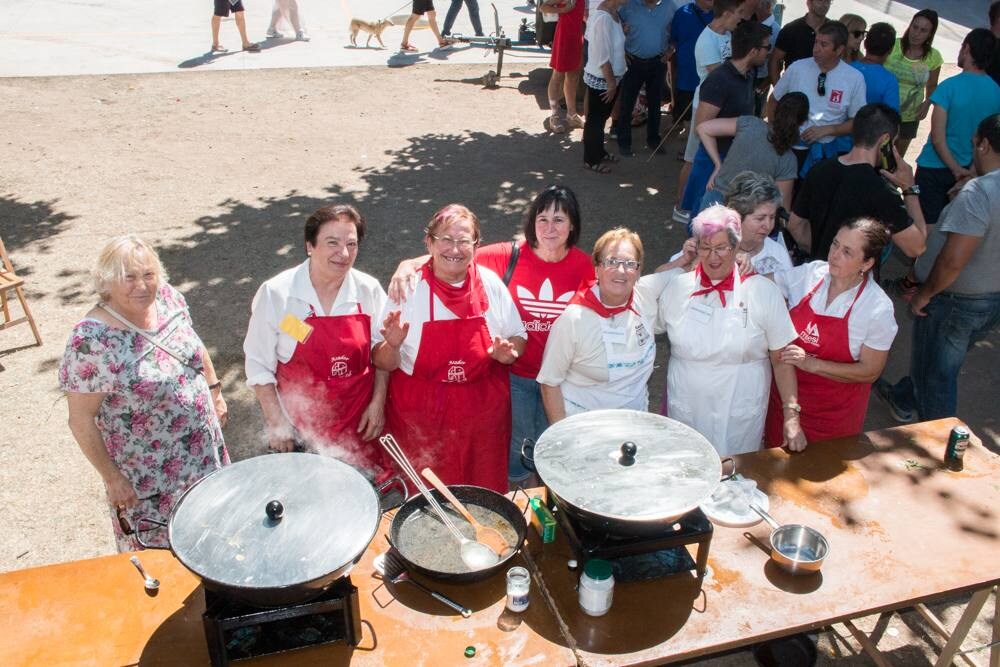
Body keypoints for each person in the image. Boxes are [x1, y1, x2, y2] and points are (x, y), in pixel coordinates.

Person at [386, 185, 594, 483]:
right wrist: (407, 264)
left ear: (572, 224)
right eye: (542, 218)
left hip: (561, 378)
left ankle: (541, 510)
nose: (550, 228)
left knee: (554, 450)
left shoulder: (585, 266)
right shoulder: (504, 256)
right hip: (518, 377)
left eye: (559, 219)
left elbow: (614, 288)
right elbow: (453, 252)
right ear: (532, 221)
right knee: (518, 453)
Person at [60, 236, 229, 551]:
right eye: (130, 277)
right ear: (107, 282)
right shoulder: (91, 341)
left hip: (202, 454)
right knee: (166, 558)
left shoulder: (167, 298)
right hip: (150, 477)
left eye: (148, 275)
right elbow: (80, 420)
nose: (142, 285)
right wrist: (112, 479)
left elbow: (193, 343)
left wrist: (214, 389)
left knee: (214, 536)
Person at [373, 205, 527, 493]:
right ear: (429, 242)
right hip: (421, 414)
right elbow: (383, 362)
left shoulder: (491, 284)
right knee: (425, 500)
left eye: (463, 241)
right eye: (445, 239)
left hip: (482, 413)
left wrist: (509, 353)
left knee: (482, 495)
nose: (454, 249)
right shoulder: (408, 288)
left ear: (476, 246)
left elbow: (518, 335)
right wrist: (391, 346)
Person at [243, 204, 391, 478]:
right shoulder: (278, 293)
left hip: (357, 424)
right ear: (309, 245)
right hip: (299, 427)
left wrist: (378, 404)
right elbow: (258, 363)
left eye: (351, 243)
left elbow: (382, 354)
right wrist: (277, 424)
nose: (343, 253)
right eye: (332, 242)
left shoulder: (368, 290)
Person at [876, 114, 1000, 423]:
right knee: (938, 362)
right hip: (990, 300)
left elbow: (952, 260)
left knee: (938, 376)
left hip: (954, 301)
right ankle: (905, 396)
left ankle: (940, 442)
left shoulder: (980, 193)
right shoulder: (978, 191)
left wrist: (924, 293)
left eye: (974, 144)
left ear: (984, 145)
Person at [658, 205, 804, 455]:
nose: (713, 257)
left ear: (737, 247)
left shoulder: (763, 292)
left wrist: (792, 416)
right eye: (706, 247)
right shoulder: (677, 287)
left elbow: (781, 359)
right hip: (686, 407)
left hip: (739, 412)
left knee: (736, 477)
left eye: (722, 247)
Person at [763, 218, 896, 446]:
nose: (834, 255)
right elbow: (764, 285)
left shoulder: (877, 308)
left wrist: (813, 364)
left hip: (834, 418)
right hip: (784, 404)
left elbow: (870, 371)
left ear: (866, 263)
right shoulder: (811, 274)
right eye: (835, 244)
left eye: (847, 252)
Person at [537, 228, 683, 420]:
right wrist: (561, 436)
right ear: (597, 268)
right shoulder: (573, 320)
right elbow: (549, 382)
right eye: (612, 262)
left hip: (634, 423)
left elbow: (684, 272)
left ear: (638, 271)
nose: (621, 270)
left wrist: (729, 257)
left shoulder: (644, 294)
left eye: (630, 263)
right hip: (584, 428)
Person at [787, 103, 926, 261]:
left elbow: (795, 225)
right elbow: (916, 247)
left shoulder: (819, 169)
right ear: (885, 140)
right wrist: (909, 189)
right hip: (855, 280)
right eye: (894, 142)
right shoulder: (882, 190)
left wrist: (826, 253)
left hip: (817, 273)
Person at [683, 20, 774, 215]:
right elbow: (700, 127)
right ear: (753, 51)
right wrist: (718, 164)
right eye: (767, 47)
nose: (769, 52)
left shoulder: (748, 74)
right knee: (701, 222)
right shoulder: (720, 80)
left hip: (733, 160)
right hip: (713, 161)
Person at [913, 29, 1000, 228]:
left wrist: (955, 169)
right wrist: (969, 172)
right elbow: (989, 138)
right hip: (972, 169)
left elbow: (937, 137)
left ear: (966, 49)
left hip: (934, 167)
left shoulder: (949, 86)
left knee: (925, 227)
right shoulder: (996, 92)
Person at [674, 0, 745, 222]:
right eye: (739, 13)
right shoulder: (706, 41)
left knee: (704, 158)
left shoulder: (727, 35)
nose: (741, 18)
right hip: (704, 107)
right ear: (727, 13)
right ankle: (680, 206)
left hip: (720, 107)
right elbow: (721, 75)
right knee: (692, 158)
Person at [767, 21, 866, 176]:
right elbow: (773, 101)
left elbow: (858, 121)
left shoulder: (854, 78)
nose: (816, 49)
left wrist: (829, 129)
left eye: (824, 44)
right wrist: (774, 130)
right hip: (788, 148)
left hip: (823, 154)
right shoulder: (797, 68)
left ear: (839, 49)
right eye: (816, 42)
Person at [697, 91, 806, 212]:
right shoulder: (789, 160)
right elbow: (781, 209)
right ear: (803, 122)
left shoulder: (750, 123)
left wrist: (718, 165)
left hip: (713, 203)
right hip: (744, 216)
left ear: (776, 109)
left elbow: (703, 128)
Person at [615, 0, 676, 155]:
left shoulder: (669, 6)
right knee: (627, 103)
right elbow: (614, 27)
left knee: (655, 103)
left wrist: (671, 50)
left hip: (658, 62)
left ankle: (654, 139)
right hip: (633, 62)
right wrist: (620, 50)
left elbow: (676, 30)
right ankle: (624, 141)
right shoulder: (628, 5)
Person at [884, 9, 942, 157]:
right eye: (915, 27)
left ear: (930, 34)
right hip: (882, 111)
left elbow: (932, 85)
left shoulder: (934, 57)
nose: (916, 33)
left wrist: (927, 103)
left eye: (923, 30)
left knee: (897, 157)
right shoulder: (892, 45)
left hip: (909, 115)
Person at [582, 0, 629, 172]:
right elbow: (602, 56)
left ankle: (599, 152)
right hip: (603, 79)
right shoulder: (603, 18)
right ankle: (591, 160)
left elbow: (613, 43)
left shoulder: (614, 13)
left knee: (601, 119)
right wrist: (611, 84)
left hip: (612, 78)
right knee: (595, 120)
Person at [725, 171, 793, 275]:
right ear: (736, 216)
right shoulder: (716, 248)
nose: (768, 226)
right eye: (760, 218)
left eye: (772, 217)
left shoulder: (778, 254)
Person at [669, 0, 714, 150]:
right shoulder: (682, 13)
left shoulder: (720, 14)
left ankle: (699, 145)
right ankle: (689, 146)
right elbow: (673, 40)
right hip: (687, 72)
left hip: (710, 74)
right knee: (687, 111)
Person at [543, 0, 586, 132]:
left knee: (573, 75)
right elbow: (543, 7)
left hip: (577, 35)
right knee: (558, 75)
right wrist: (563, 10)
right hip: (564, 35)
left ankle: (571, 115)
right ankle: (554, 115)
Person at [768, 0, 832, 84]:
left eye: (828, 1)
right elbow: (774, 61)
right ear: (809, 3)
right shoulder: (791, 29)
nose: (825, 5)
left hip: (823, 88)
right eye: (820, 1)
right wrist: (779, 90)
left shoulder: (833, 31)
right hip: (794, 87)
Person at [851, 23, 900, 109]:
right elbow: (891, 117)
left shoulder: (848, 68)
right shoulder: (889, 80)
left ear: (865, 43)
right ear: (891, 50)